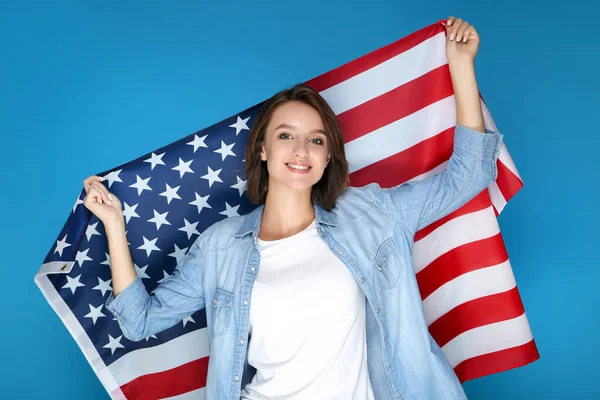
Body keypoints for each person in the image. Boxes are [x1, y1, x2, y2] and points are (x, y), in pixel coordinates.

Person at [83, 16, 503, 400]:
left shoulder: (371, 214)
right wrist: (114, 225)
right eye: (286, 136)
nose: (301, 150)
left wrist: (460, 64)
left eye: (316, 140)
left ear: (327, 157)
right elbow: (140, 321)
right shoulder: (221, 246)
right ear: (262, 149)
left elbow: (468, 176)